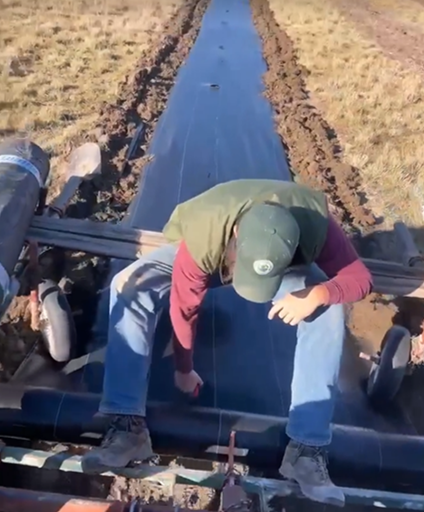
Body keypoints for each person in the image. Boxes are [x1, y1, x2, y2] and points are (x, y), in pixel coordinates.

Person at [82, 179, 372, 506]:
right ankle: (127, 427)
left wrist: (318, 293)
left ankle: (306, 450)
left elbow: (360, 279)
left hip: (278, 265)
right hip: (211, 253)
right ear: (236, 235)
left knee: (330, 309)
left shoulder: (316, 224)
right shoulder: (205, 234)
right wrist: (183, 368)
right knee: (128, 284)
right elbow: (185, 308)